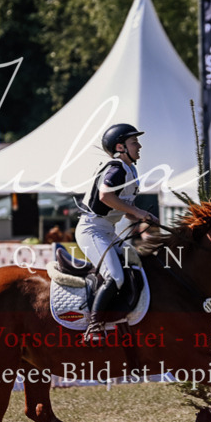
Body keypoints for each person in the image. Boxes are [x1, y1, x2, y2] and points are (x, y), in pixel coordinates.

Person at [75, 123, 157, 342]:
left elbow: (123, 208)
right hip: (91, 230)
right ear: (120, 147)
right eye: (134, 142)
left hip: (106, 230)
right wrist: (138, 212)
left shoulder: (130, 169)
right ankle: (94, 327)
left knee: (137, 262)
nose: (139, 146)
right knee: (116, 276)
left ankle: (121, 315)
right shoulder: (117, 168)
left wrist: (143, 217)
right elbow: (105, 196)